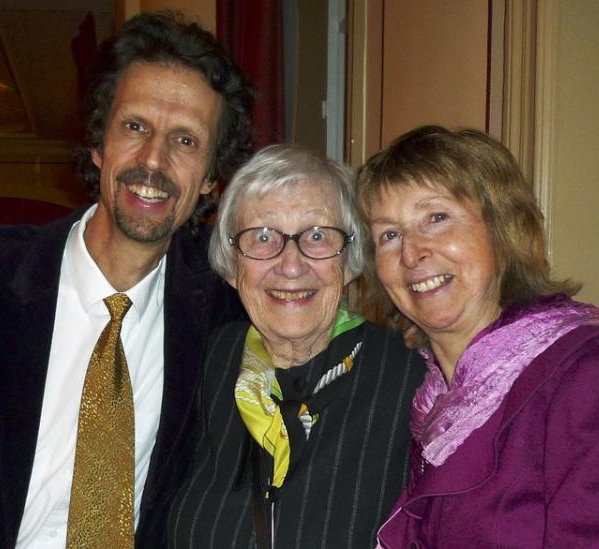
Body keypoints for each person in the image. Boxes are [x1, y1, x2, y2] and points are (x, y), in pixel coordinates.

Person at [0, 12, 253, 548]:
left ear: (211, 176)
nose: (153, 160)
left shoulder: (225, 316)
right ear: (98, 143)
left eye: (185, 141)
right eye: (134, 126)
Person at [355, 125, 599, 548]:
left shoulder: (587, 376)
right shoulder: (426, 400)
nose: (411, 253)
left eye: (436, 218)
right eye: (390, 234)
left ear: (501, 229)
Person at [167, 144, 425, 549]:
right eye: (263, 236)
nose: (290, 265)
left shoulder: (411, 377)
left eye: (318, 235)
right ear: (232, 264)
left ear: (352, 260)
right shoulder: (208, 363)